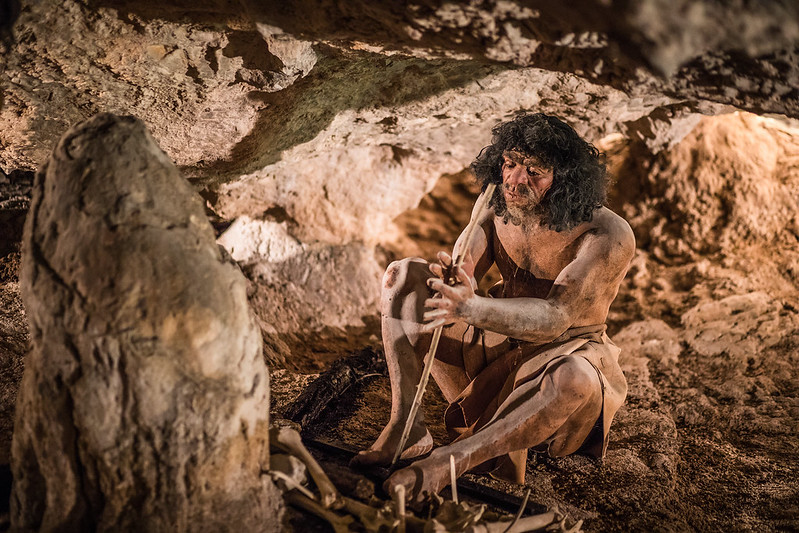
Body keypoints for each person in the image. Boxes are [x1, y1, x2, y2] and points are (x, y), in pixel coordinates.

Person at [351, 113, 635, 503]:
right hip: (494, 332)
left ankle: (454, 460)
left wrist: (471, 308)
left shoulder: (607, 234)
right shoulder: (496, 204)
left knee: (576, 379)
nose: (516, 180)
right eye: (510, 163)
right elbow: (459, 274)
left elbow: (555, 318)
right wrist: (455, 280)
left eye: (535, 170)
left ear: (566, 177)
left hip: (563, 348)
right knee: (404, 277)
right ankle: (406, 424)